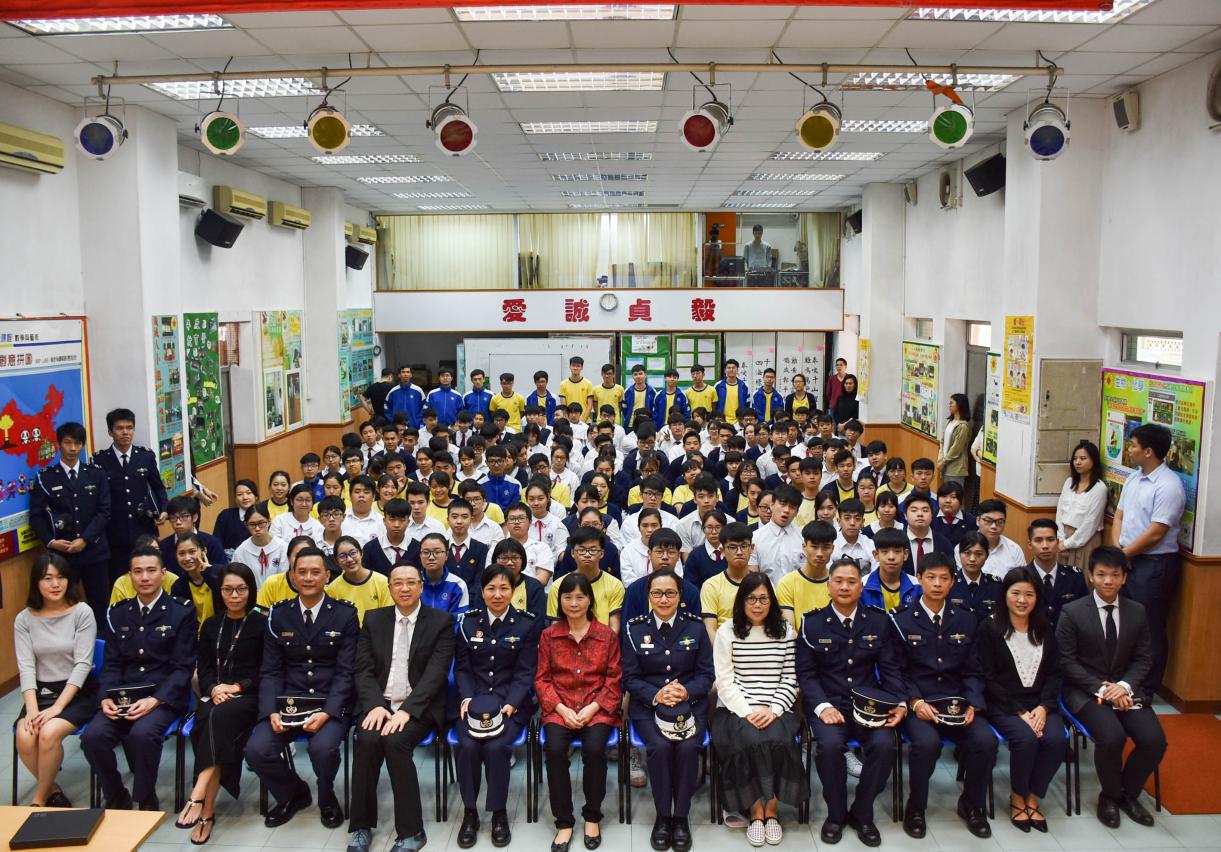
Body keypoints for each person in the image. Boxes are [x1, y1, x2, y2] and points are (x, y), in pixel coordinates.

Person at [346, 563, 455, 852]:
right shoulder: (374, 619)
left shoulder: (441, 622)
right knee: (367, 740)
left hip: (420, 706)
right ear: (389, 588)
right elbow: (363, 669)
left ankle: (412, 831)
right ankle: (360, 827)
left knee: (395, 742)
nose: (404, 588)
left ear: (421, 586)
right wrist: (374, 705)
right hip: (380, 704)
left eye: (410, 582)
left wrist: (406, 710)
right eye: (398, 583)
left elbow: (436, 674)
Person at [246, 549, 359, 829]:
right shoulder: (278, 614)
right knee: (257, 750)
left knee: (323, 749)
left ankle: (327, 798)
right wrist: (271, 711)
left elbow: (346, 672)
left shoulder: (345, 614)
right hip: (288, 702)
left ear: (327, 576)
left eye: (315, 572)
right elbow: (271, 670)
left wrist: (328, 712)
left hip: (329, 702)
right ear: (292, 577)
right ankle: (293, 793)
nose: (308, 578)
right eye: (302, 572)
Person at [797, 558, 906, 848]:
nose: (845, 587)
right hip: (829, 705)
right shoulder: (812, 623)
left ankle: (862, 811)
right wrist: (822, 707)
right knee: (829, 747)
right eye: (839, 581)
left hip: (868, 706)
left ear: (861, 587)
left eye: (851, 581)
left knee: (885, 745)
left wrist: (900, 703)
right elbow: (806, 674)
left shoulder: (878, 621)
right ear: (829, 585)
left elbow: (890, 668)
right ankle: (836, 814)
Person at [1057, 546, 1166, 829]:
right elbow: (1066, 661)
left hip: (1127, 691)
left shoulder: (1137, 611)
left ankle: (1127, 795)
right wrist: (1102, 689)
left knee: (1154, 740)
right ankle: (1110, 796)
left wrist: (1124, 686)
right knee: (1112, 737)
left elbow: (1144, 657)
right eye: (1102, 574)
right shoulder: (1072, 612)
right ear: (1091, 576)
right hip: (1086, 691)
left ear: (1124, 578)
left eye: (1115, 575)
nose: (1108, 581)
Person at [81, 545, 196, 811]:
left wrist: (155, 700)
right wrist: (105, 699)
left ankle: (145, 800)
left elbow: (183, 667)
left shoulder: (180, 612)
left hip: (163, 697)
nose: (144, 577)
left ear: (163, 574)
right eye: (138, 571)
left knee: (142, 734)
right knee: (92, 737)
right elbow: (111, 664)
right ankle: (116, 795)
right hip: (122, 696)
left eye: (151, 570)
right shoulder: (118, 613)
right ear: (129, 576)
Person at [892, 552, 996, 840]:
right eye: (931, 577)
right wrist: (915, 702)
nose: (937, 584)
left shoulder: (966, 619)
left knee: (985, 741)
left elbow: (974, 669)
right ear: (919, 580)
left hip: (957, 703)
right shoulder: (902, 620)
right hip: (920, 704)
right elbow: (897, 671)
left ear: (952, 582)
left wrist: (973, 703)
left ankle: (972, 804)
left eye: (944, 578)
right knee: (927, 744)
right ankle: (916, 807)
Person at [622, 570, 714, 852]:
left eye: (670, 593)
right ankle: (663, 816)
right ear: (649, 596)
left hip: (691, 705)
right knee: (660, 747)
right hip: (648, 706)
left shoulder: (695, 627)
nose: (663, 599)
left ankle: (681, 816)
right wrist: (657, 695)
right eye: (657, 593)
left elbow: (706, 674)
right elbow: (630, 677)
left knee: (687, 748)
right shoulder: (634, 629)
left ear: (680, 596)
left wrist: (686, 691)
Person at [711, 572, 805, 847]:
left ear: (771, 601)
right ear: (741, 601)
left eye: (763, 599)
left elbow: (790, 677)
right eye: (751, 599)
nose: (757, 605)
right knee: (749, 741)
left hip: (777, 706)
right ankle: (755, 812)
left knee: (778, 740)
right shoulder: (727, 631)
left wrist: (774, 709)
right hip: (736, 708)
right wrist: (747, 711)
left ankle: (772, 810)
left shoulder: (786, 631)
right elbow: (724, 680)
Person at [176, 563, 266, 845]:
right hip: (214, 696)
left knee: (214, 719)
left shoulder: (261, 624)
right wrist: (214, 688)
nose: (234, 596)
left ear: (250, 590)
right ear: (220, 592)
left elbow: (266, 669)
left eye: (241, 589)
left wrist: (236, 687)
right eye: (228, 590)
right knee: (212, 719)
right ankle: (206, 809)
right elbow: (203, 668)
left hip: (248, 697)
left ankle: (200, 796)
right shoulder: (211, 624)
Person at [454, 566, 542, 848]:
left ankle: (498, 812)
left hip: (509, 704)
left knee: (496, 747)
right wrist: (467, 699)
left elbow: (526, 671)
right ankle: (470, 812)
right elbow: (463, 669)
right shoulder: (468, 623)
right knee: (467, 746)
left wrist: (512, 703)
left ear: (513, 592)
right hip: (473, 703)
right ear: (482, 592)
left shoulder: (526, 624)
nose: (497, 594)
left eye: (504, 588)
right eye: (491, 588)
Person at [974, 566, 1066, 834]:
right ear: (1005, 594)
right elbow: (988, 677)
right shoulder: (989, 628)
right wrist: (1019, 711)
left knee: (1056, 739)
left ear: (1037, 597)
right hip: (1003, 703)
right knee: (1025, 739)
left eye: (1029, 594)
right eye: (1015, 593)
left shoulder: (1045, 627)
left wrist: (1044, 707)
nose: (1022, 600)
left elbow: (1055, 672)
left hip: (1040, 703)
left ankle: (1033, 796)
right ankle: (1017, 796)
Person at [536, 572, 623, 852]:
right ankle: (564, 821)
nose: (574, 603)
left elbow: (614, 679)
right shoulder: (549, 636)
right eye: (568, 597)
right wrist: (561, 709)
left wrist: (593, 708)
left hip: (596, 707)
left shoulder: (606, 636)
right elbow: (542, 679)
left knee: (595, 750)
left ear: (589, 600)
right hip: (559, 708)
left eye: (580, 597)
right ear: (559, 601)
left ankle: (592, 816)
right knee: (554, 750)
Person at [14, 552, 98, 807]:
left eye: (61, 577)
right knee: (25, 735)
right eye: (47, 578)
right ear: (36, 582)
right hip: (41, 692)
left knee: (49, 732)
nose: (55, 584)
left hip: (77, 691)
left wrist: (58, 708)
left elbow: (83, 664)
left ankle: (39, 799)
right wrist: (31, 709)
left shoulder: (82, 612)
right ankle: (52, 790)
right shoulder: (24, 619)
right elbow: (26, 666)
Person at [1112, 422, 1185, 694]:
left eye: (1133, 445)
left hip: (1154, 565)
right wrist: (1118, 552)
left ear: (1148, 451)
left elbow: (1156, 532)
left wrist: (1124, 555)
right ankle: (1123, 680)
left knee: (1149, 626)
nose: (1129, 450)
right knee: (1125, 622)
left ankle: (1145, 689)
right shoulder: (1134, 478)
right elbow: (1119, 516)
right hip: (1127, 559)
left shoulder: (1168, 486)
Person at [29, 422, 112, 623]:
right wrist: (51, 542)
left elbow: (104, 511)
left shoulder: (96, 473)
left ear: (83, 445)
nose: (73, 448)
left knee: (100, 605)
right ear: (59, 444)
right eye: (68, 443)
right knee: (65, 606)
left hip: (95, 551)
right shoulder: (45, 477)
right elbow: (36, 516)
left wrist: (85, 539)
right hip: (62, 556)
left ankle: (101, 641)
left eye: (77, 443)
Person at [96, 408, 168, 579]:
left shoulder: (145, 456)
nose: (125, 432)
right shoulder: (99, 460)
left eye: (129, 428)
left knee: (148, 576)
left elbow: (158, 487)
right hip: (114, 533)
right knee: (119, 578)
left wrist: (164, 509)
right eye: (119, 428)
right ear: (110, 432)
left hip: (143, 529)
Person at [546, 526, 625, 631]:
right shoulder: (558, 585)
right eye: (581, 550)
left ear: (602, 553)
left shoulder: (615, 585)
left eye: (593, 550)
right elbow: (555, 626)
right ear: (572, 553)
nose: (587, 555)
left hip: (603, 639)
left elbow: (614, 628)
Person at [1056, 440, 1107, 571]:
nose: (1078, 462)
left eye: (1083, 458)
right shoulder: (1069, 482)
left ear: (1093, 461)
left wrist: (1068, 544)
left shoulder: (1099, 488)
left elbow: (1090, 523)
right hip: (1063, 538)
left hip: (1085, 541)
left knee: (1081, 578)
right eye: (1075, 459)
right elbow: (1059, 512)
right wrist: (1061, 539)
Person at [775, 520, 834, 629]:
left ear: (832, 549)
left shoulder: (838, 583)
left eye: (826, 547)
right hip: (798, 639)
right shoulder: (787, 583)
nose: (820, 553)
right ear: (804, 546)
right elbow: (789, 629)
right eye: (814, 547)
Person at [1027, 519, 1087, 626]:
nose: (1045, 546)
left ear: (1058, 542)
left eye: (1050, 540)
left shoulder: (1075, 577)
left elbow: (1084, 614)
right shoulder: (1021, 578)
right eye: (1038, 540)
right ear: (1030, 544)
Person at [326, 535, 393, 623]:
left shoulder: (382, 582)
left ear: (361, 553)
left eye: (353, 553)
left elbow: (388, 616)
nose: (349, 559)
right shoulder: (332, 589)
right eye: (342, 556)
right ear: (336, 561)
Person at [749, 484, 805, 583]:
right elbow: (753, 577)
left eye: (792, 507)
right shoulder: (755, 538)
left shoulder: (804, 538)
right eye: (782, 504)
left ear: (797, 512)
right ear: (772, 505)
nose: (786, 510)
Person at [230, 505, 289, 589]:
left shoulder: (283, 547)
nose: (257, 528)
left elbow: (285, 577)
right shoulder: (241, 551)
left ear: (269, 521)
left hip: (279, 595)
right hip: (252, 596)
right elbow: (237, 580)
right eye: (252, 524)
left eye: (261, 523)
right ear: (246, 525)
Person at [967, 499, 1028, 578]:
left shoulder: (1014, 549)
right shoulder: (964, 548)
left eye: (999, 522)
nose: (994, 526)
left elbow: (1022, 580)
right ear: (978, 521)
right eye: (988, 521)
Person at [949, 531, 1001, 624]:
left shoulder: (995, 585)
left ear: (987, 556)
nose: (972, 559)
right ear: (959, 554)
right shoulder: (949, 583)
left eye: (979, 554)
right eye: (967, 553)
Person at [213, 479, 260, 554]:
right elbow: (217, 542)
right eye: (240, 494)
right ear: (235, 499)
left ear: (256, 496)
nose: (245, 497)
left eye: (248, 493)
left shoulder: (262, 515)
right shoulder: (225, 515)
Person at [936, 394, 972, 488]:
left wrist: (943, 462)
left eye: (951, 403)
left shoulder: (963, 426)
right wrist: (940, 459)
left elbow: (956, 449)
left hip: (956, 468)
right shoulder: (951, 422)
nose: (949, 405)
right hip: (945, 466)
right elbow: (943, 442)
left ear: (959, 405)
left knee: (954, 493)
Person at [714, 359, 750, 429]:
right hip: (722, 422)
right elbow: (715, 405)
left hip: (739, 423)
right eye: (729, 368)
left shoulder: (744, 386)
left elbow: (748, 405)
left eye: (733, 368)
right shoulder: (718, 385)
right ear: (725, 370)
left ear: (737, 370)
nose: (731, 370)